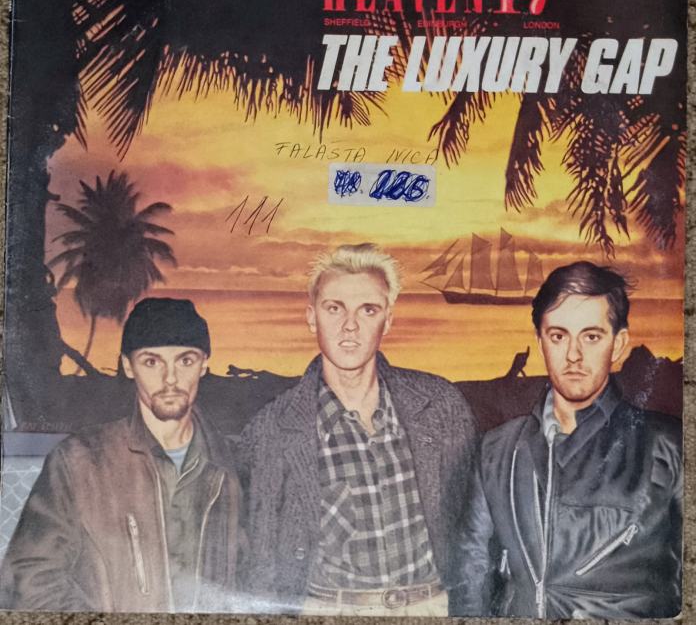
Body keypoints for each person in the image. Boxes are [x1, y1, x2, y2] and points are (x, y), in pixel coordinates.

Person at [239, 243, 478, 615]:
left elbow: (472, 531)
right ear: (311, 318)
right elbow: (262, 565)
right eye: (334, 308)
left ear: (388, 320)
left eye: (368, 310)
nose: (349, 325)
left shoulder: (440, 405)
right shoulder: (272, 429)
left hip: (429, 606)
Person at [455, 261, 682, 619]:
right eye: (558, 336)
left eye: (591, 337)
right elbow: (472, 574)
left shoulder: (668, 446)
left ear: (618, 343)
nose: (573, 355)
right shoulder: (497, 450)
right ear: (541, 342)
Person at [0, 298, 244, 612]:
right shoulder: (79, 461)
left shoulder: (234, 467)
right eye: (152, 362)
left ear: (204, 364)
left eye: (185, 360)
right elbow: (28, 579)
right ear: (128, 366)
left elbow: (254, 583)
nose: (170, 378)